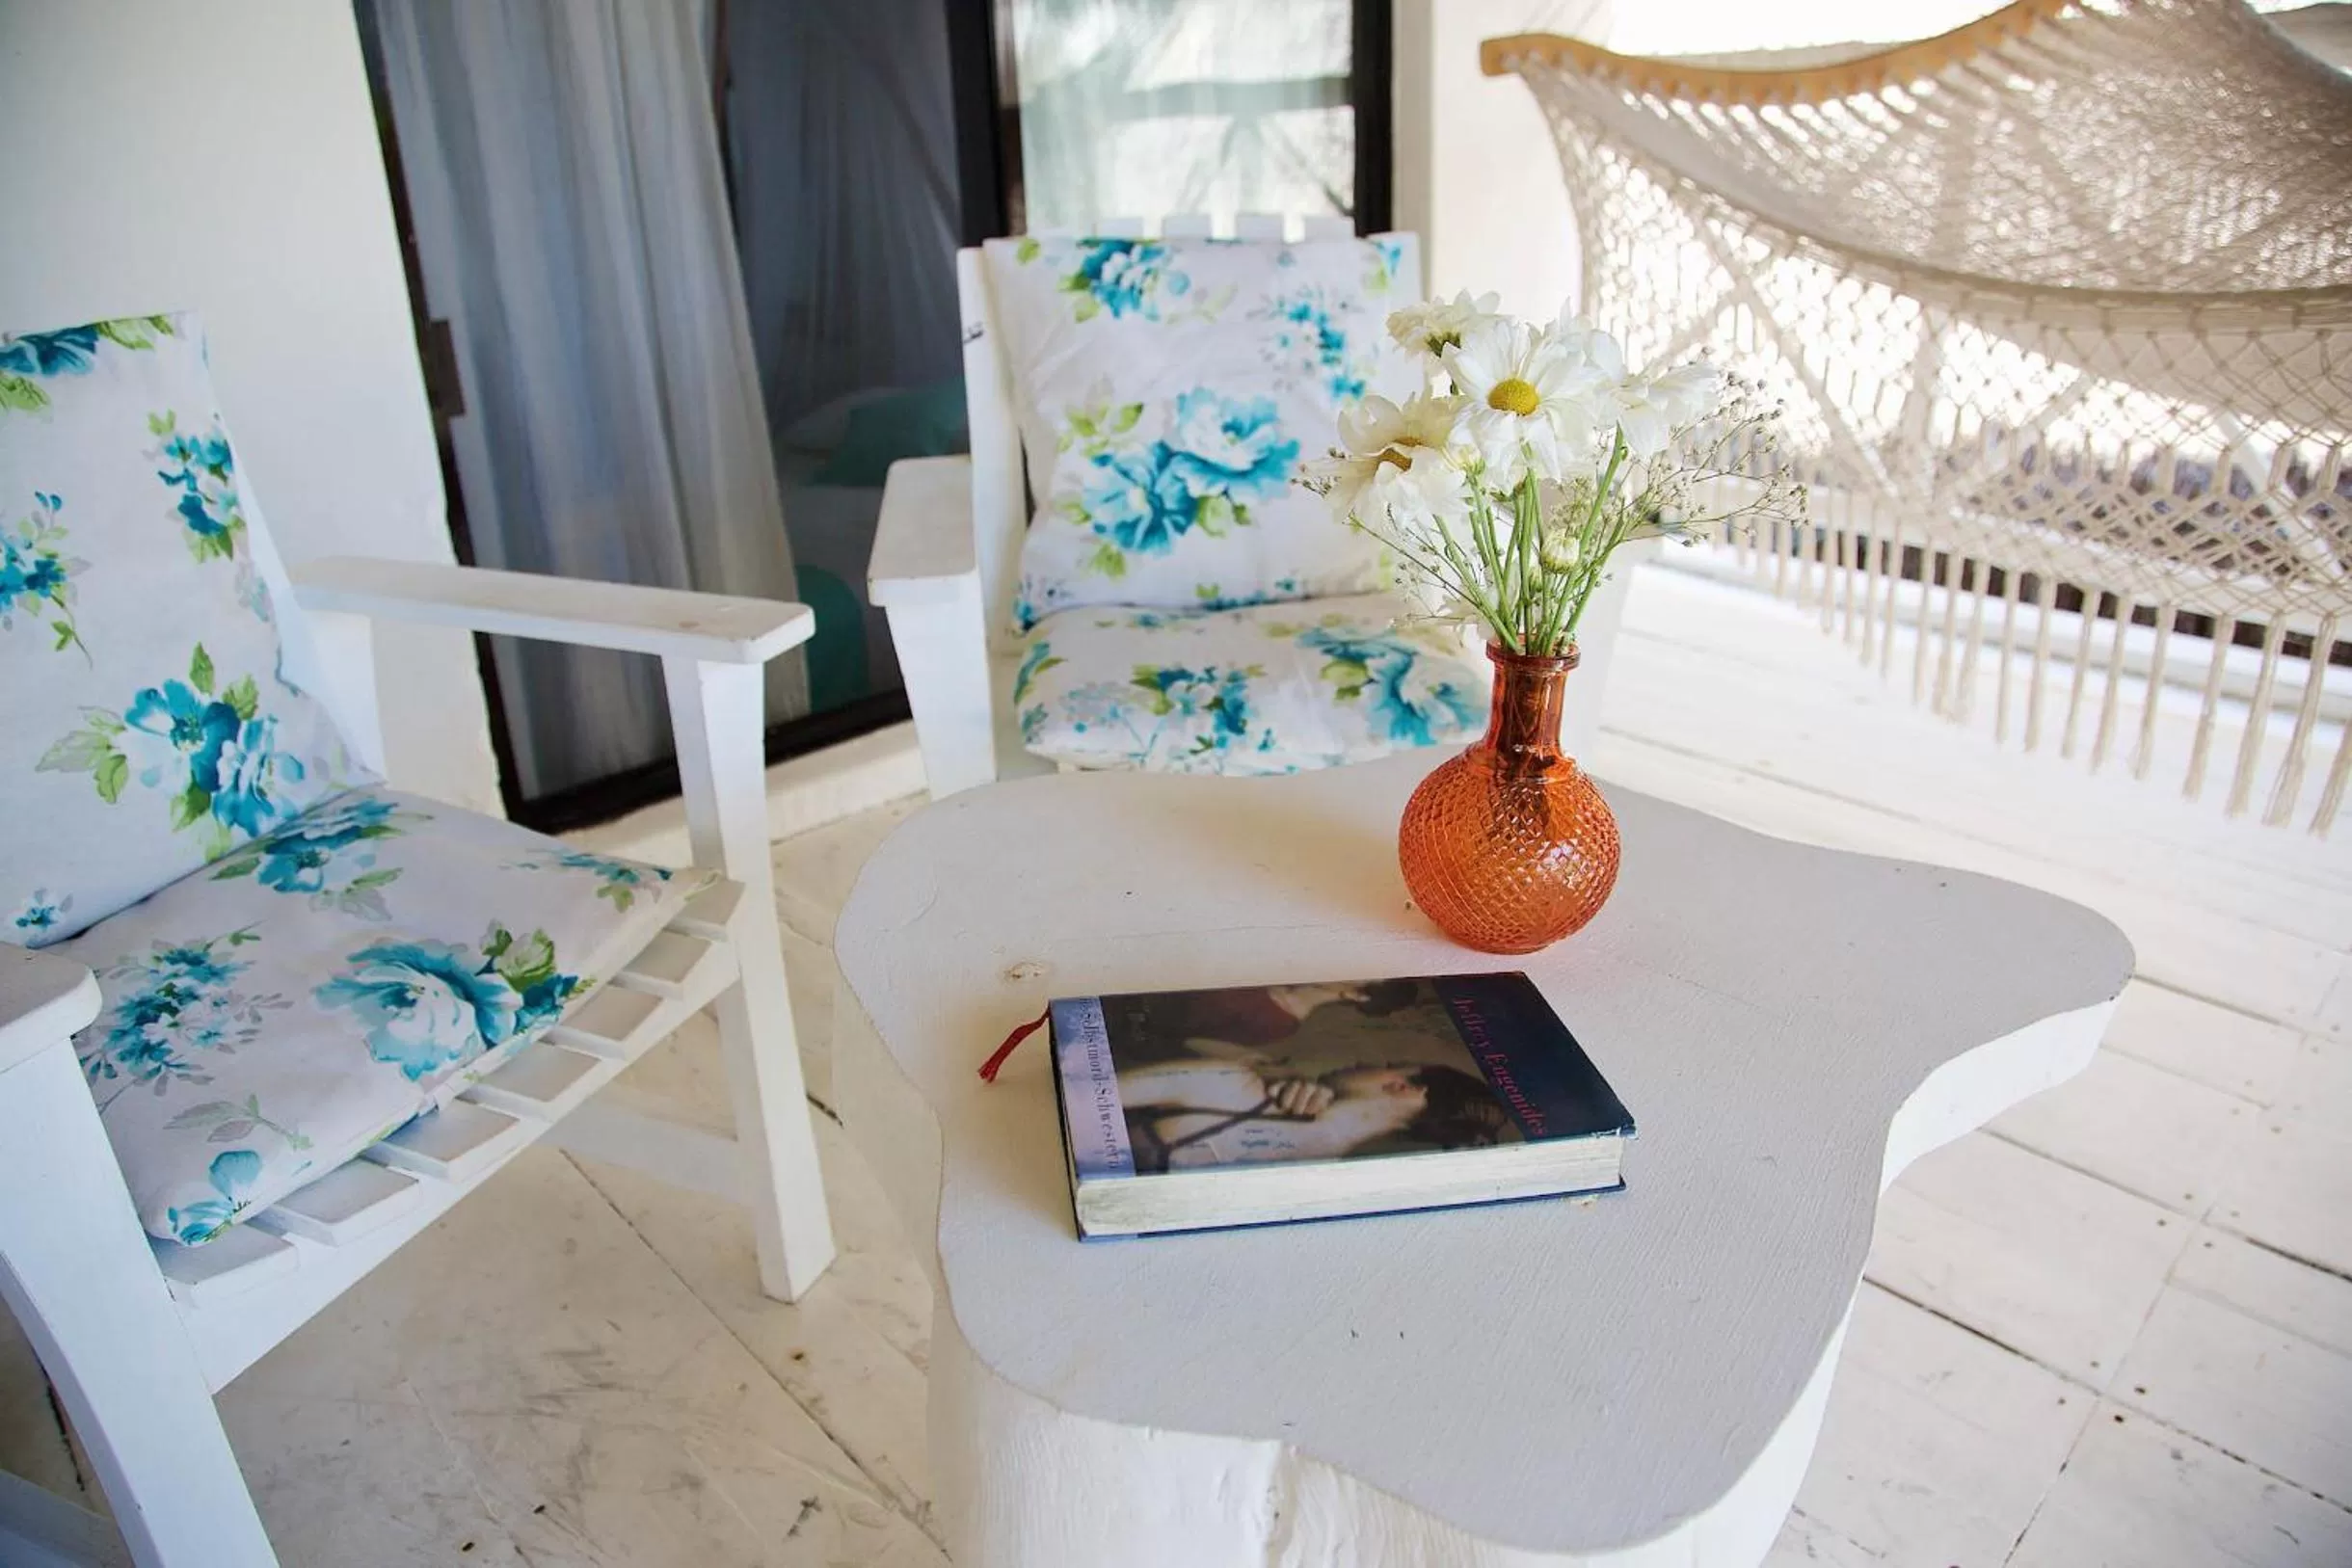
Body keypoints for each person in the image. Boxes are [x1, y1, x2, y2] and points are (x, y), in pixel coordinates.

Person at [1117, 1049, 1507, 1173]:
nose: (1358, 1062)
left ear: (1403, 1087)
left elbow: (1084, 1097)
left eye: (1388, 1062)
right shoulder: (1323, 1181)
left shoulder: (1229, 1084)